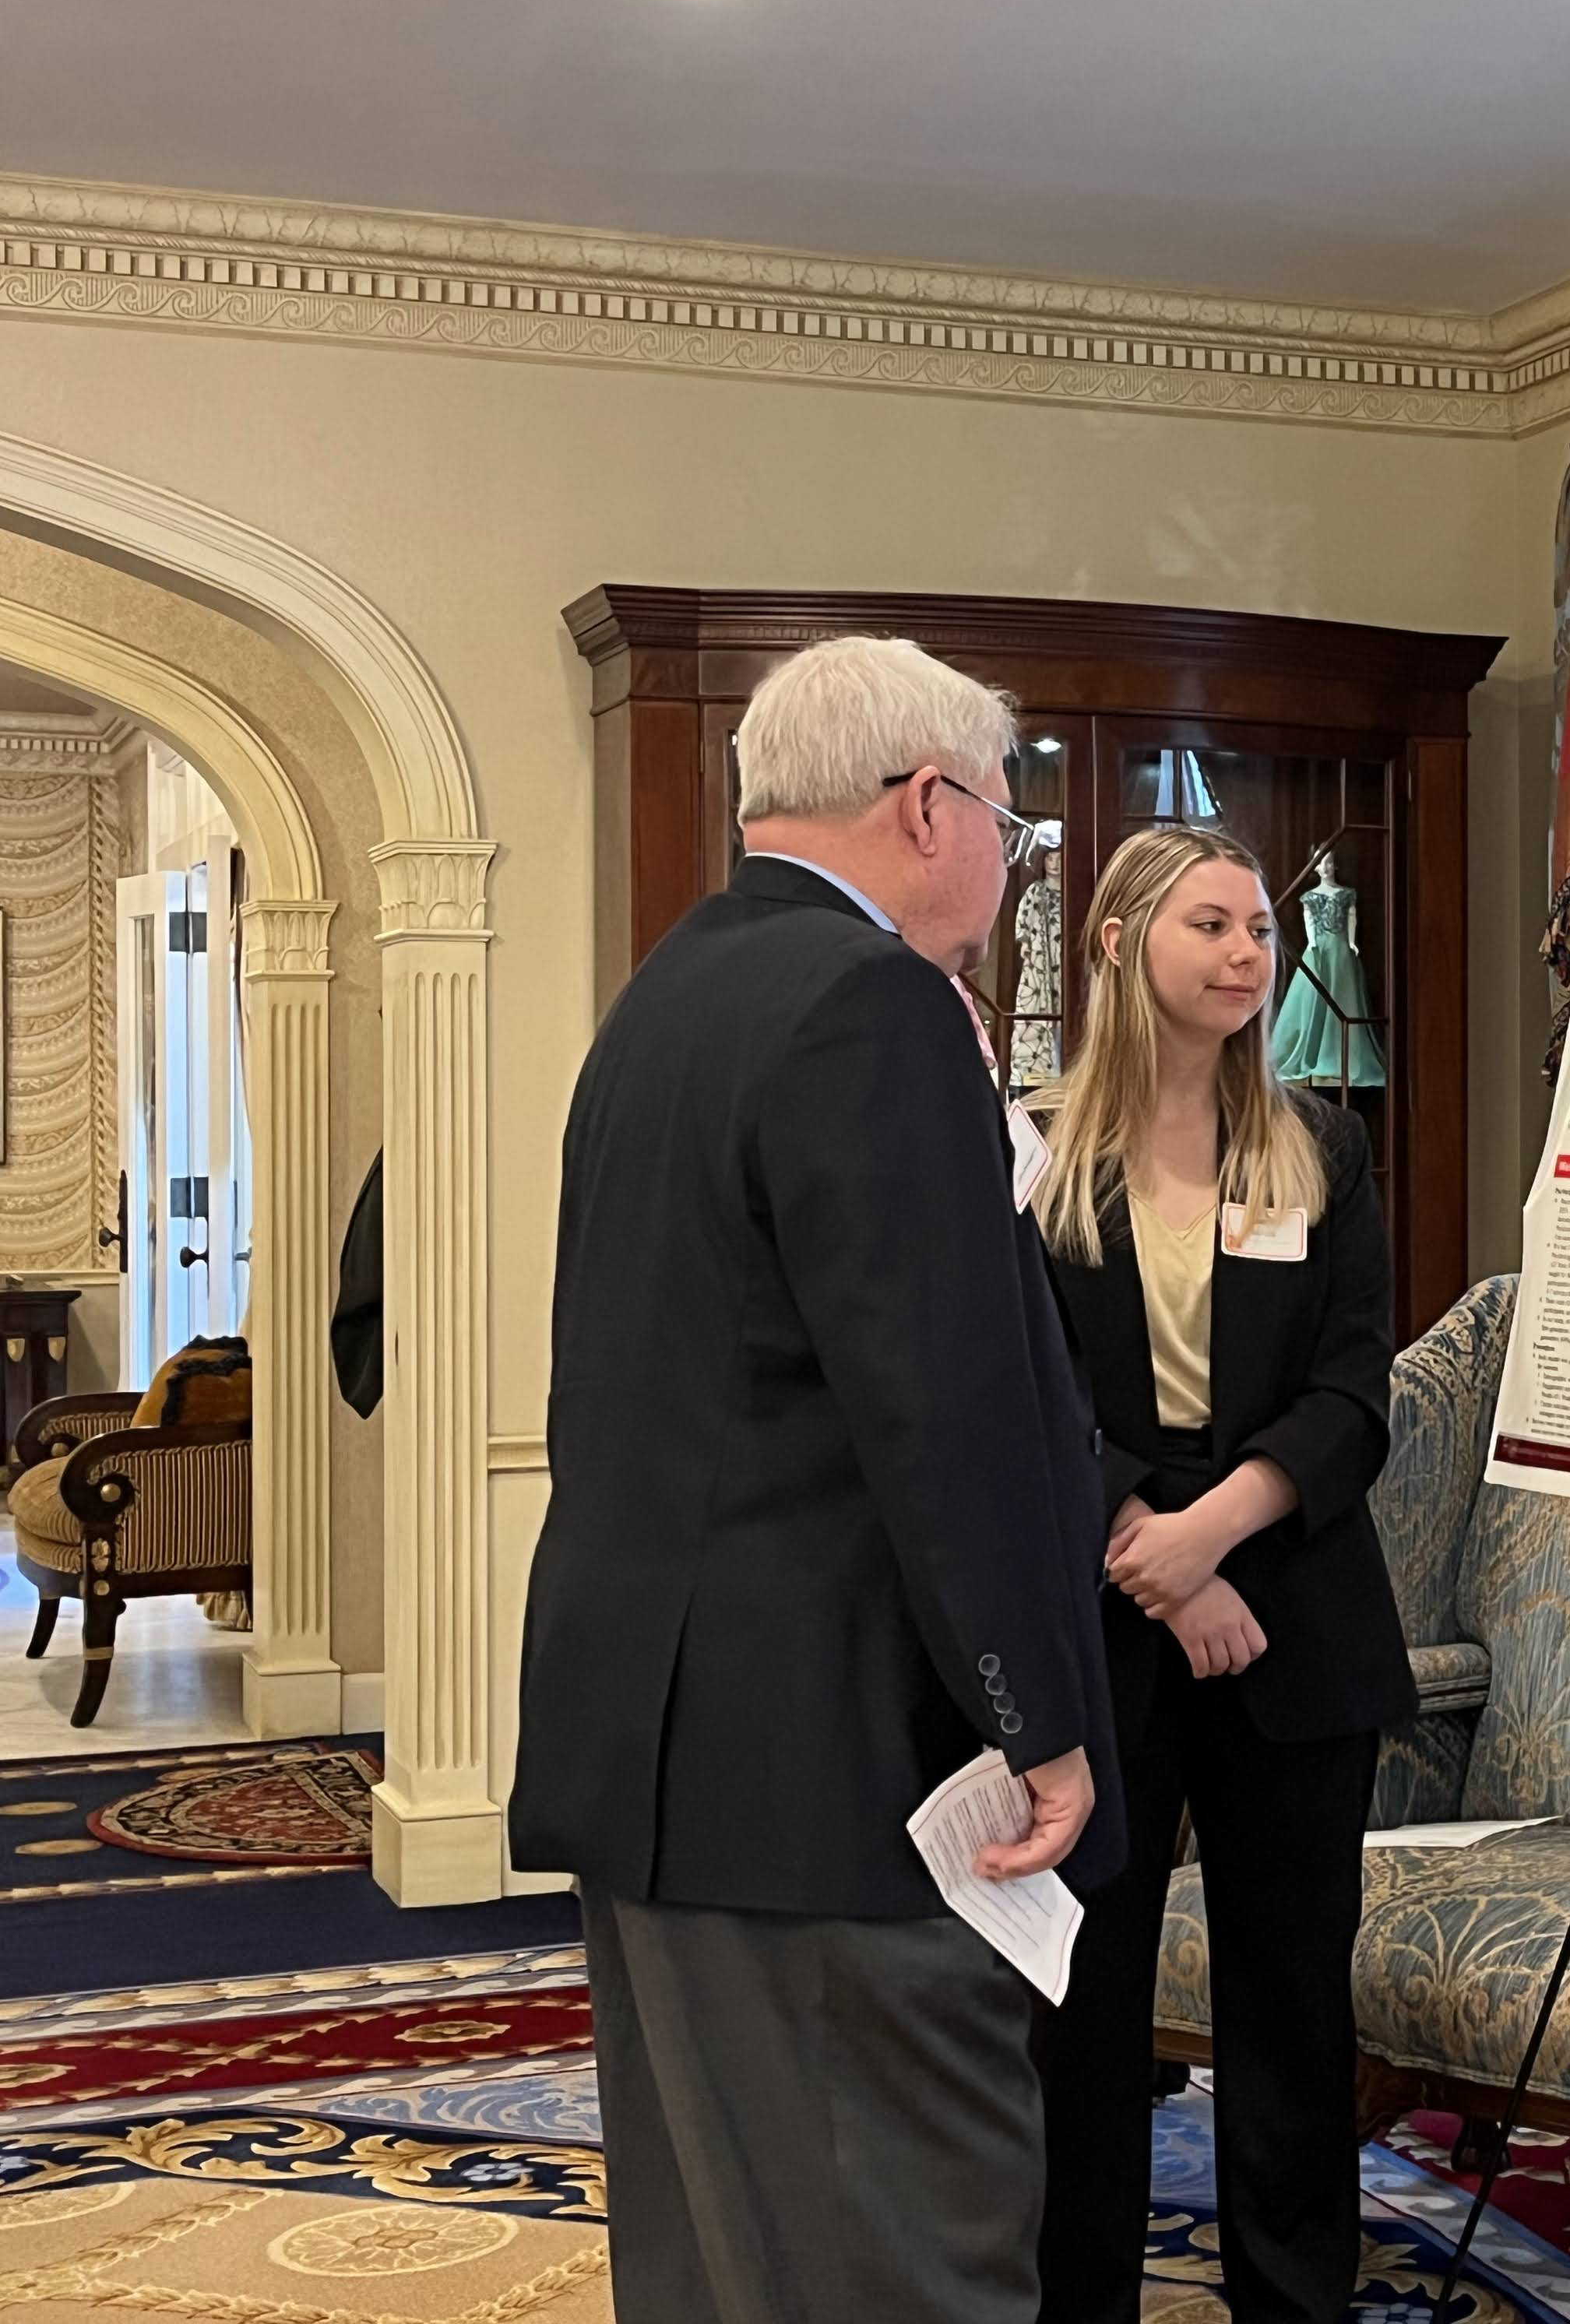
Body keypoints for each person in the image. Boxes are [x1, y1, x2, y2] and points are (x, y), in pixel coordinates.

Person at [510, 634, 1121, 2324]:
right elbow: (946, 1408)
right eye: (1014, 820)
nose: (1014, 860)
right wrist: (1042, 1721)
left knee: (723, 2257)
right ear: (930, 807)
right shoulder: (874, 1008)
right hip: (832, 1776)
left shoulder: (666, 996)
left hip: (663, 1752)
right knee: (900, 2250)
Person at [1027, 823, 1408, 2324]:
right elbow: (1027, 1401)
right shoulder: (1038, 1148)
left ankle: (1297, 2302)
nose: (1252, 953)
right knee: (1090, 2009)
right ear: (1122, 941)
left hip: (1296, 1626)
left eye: (1262, 928)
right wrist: (1165, 1565)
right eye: (1214, 925)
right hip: (1108, 1635)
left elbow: (1355, 1390)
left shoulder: (1322, 1142)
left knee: (1293, 2008)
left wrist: (1219, 1534)